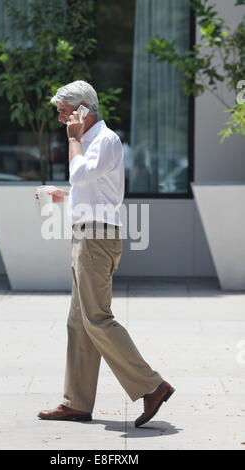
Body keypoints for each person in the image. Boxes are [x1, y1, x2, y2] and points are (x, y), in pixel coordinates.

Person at [35, 80, 175, 427]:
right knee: (78, 323)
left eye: (64, 112)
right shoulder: (92, 143)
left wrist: (72, 140)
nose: (60, 120)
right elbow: (94, 192)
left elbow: (80, 173)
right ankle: (77, 403)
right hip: (86, 236)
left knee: (96, 319)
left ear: (84, 109)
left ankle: (152, 386)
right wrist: (64, 197)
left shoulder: (104, 140)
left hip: (96, 240)